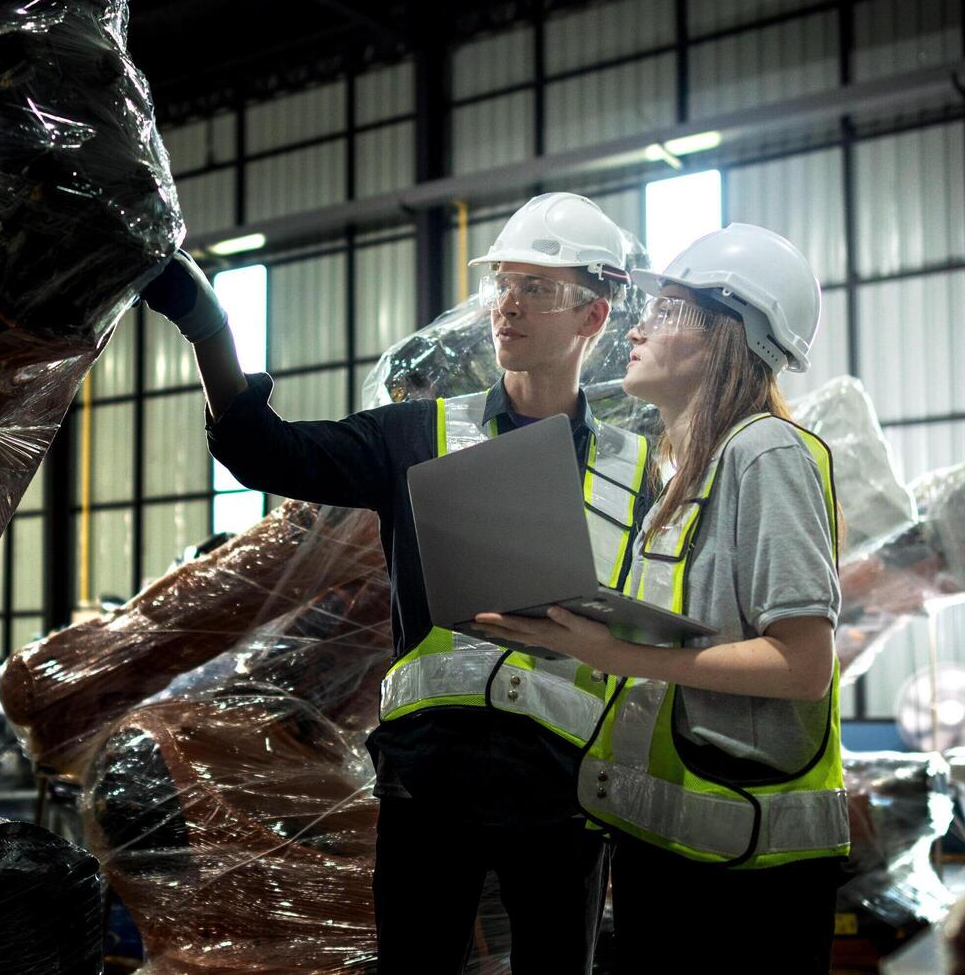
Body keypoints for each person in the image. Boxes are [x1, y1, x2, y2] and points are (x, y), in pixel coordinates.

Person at [142, 193, 655, 973]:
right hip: (431, 780)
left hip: (563, 790)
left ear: (593, 317)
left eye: (536, 290)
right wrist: (205, 322)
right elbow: (261, 451)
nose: (507, 307)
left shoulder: (637, 473)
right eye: (503, 285)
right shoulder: (420, 437)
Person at [473, 223, 848, 973]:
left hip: (749, 883)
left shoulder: (765, 451)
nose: (638, 327)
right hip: (671, 852)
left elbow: (803, 664)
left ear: (725, 336)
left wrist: (613, 651)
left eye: (667, 312)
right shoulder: (685, 477)